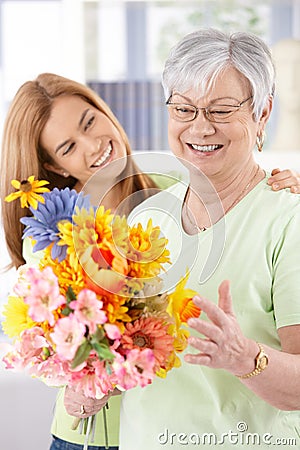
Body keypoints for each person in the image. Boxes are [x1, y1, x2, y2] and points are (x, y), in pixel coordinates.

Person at [0, 71, 299, 450]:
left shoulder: (172, 181)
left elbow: (238, 182)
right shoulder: (53, 236)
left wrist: (284, 185)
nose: (93, 146)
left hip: (159, 426)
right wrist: (74, 383)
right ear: (57, 166)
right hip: (90, 431)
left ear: (103, 110)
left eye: (90, 122)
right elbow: (47, 336)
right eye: (68, 147)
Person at [115, 29, 300, 449]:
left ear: (262, 114)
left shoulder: (289, 220)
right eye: (184, 108)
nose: (200, 127)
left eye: (221, 110)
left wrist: (244, 358)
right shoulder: (146, 218)